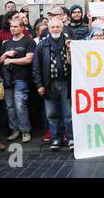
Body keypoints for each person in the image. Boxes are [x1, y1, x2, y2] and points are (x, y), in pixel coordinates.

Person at [33, 19, 74, 151]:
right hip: (49, 84)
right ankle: (55, 139)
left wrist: (70, 49)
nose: (55, 29)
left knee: (68, 114)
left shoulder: (69, 44)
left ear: (62, 28)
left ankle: (71, 138)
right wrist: (39, 85)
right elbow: (36, 68)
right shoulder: (42, 45)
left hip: (66, 83)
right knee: (51, 115)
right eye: (53, 27)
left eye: (58, 27)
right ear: (48, 30)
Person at [0, 19, 36, 143]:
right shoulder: (6, 43)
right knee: (9, 106)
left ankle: (25, 131)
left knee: (20, 105)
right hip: (7, 78)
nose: (12, 29)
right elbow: (0, 60)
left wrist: (10, 60)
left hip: (21, 78)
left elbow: (28, 59)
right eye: (11, 26)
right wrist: (5, 55)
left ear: (22, 27)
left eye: (15, 26)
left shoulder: (29, 41)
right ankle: (15, 130)